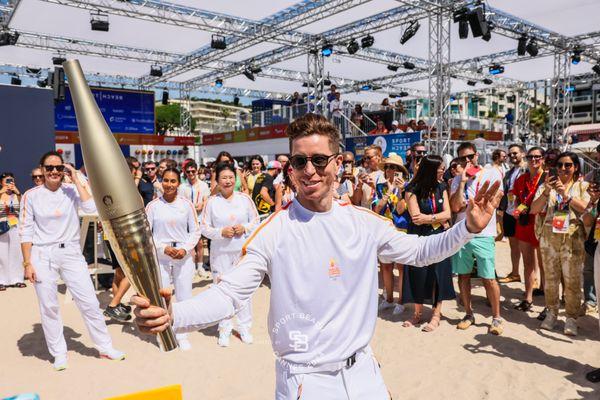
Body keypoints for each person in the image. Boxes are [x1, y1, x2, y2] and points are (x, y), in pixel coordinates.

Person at [132, 113, 500, 399]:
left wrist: (466, 228)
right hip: (304, 379)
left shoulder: (363, 223)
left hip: (363, 372)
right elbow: (229, 294)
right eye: (299, 162)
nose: (309, 170)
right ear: (290, 168)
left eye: (319, 160)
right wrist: (174, 315)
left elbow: (420, 251)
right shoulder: (273, 230)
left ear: (338, 163)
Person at [19, 151, 124, 370]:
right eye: (49, 168)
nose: (54, 172)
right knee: (49, 307)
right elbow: (25, 231)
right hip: (42, 254)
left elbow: (91, 208)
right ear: (42, 170)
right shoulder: (31, 195)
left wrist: (76, 178)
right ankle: (59, 353)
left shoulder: (72, 191)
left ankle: (104, 347)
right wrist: (27, 263)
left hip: (71, 253)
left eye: (59, 168)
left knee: (89, 302)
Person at [200, 162, 260, 347]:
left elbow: (256, 221)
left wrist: (245, 228)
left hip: (242, 253)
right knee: (222, 291)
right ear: (217, 181)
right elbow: (203, 227)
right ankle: (224, 328)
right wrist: (220, 233)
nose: (227, 181)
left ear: (235, 179)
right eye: (223, 178)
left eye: (230, 177)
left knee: (244, 291)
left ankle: (244, 327)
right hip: (221, 254)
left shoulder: (244, 199)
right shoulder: (212, 202)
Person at [530, 151, 589, 336]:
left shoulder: (583, 186)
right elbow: (534, 209)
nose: (563, 168)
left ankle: (571, 317)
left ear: (576, 167)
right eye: (560, 165)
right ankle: (552, 312)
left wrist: (566, 195)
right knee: (551, 279)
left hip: (573, 237)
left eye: (568, 165)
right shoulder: (547, 186)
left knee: (572, 280)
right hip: (549, 237)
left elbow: (586, 209)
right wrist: (547, 191)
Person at [450, 142, 504, 335]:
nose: (467, 161)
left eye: (470, 156)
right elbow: (455, 207)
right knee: (463, 276)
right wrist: (463, 182)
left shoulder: (491, 174)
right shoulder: (457, 180)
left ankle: (496, 318)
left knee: (488, 277)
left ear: (476, 155)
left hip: (483, 233)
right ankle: (468, 314)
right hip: (462, 233)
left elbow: (496, 200)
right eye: (461, 158)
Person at [146, 167, 201, 350]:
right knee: (162, 296)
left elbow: (195, 231)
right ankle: (163, 335)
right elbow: (147, 234)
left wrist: (185, 249)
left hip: (182, 256)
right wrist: (164, 248)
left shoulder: (186, 204)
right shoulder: (153, 206)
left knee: (184, 296)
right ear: (161, 182)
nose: (169, 185)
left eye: (173, 181)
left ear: (179, 183)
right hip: (161, 256)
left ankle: (182, 334)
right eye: (166, 180)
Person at [403, 155, 455, 332]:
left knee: (438, 275)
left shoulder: (442, 187)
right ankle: (417, 314)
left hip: (439, 237)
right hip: (419, 239)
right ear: (431, 169)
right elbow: (416, 218)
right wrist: (435, 218)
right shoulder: (411, 189)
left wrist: (430, 218)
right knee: (418, 273)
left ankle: (436, 315)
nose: (443, 170)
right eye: (441, 167)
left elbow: (448, 214)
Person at [372, 154, 409, 315]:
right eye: (387, 167)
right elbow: (376, 209)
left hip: (400, 230)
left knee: (400, 267)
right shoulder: (380, 187)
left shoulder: (406, 187)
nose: (389, 170)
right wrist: (388, 191)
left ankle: (401, 301)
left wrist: (399, 190)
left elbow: (401, 210)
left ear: (400, 170)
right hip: (383, 230)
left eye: (393, 167)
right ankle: (388, 299)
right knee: (386, 267)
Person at [511, 147, 546, 312]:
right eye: (531, 156)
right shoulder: (521, 179)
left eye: (537, 157)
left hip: (542, 223)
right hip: (524, 224)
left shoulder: (547, 178)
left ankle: (546, 297)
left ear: (543, 159)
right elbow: (516, 197)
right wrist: (518, 209)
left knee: (545, 262)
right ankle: (528, 297)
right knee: (528, 263)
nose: (534, 160)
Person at [498, 144, 526, 284]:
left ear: (523, 153)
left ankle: (533, 278)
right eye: (510, 154)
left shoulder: (527, 170)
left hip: (523, 212)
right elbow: (505, 191)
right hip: (510, 211)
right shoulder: (509, 172)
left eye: (515, 153)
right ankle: (515, 273)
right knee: (513, 245)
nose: (512, 156)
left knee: (528, 247)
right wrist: (501, 210)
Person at [0, 172, 24, 291]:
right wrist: (1, 191)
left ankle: (17, 278)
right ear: (1, 183)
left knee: (16, 253)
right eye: (7, 181)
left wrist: (17, 191)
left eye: (11, 180)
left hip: (14, 225)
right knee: (1, 254)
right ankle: (1, 280)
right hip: (1, 226)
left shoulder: (16, 194)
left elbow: (23, 205)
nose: (10, 183)